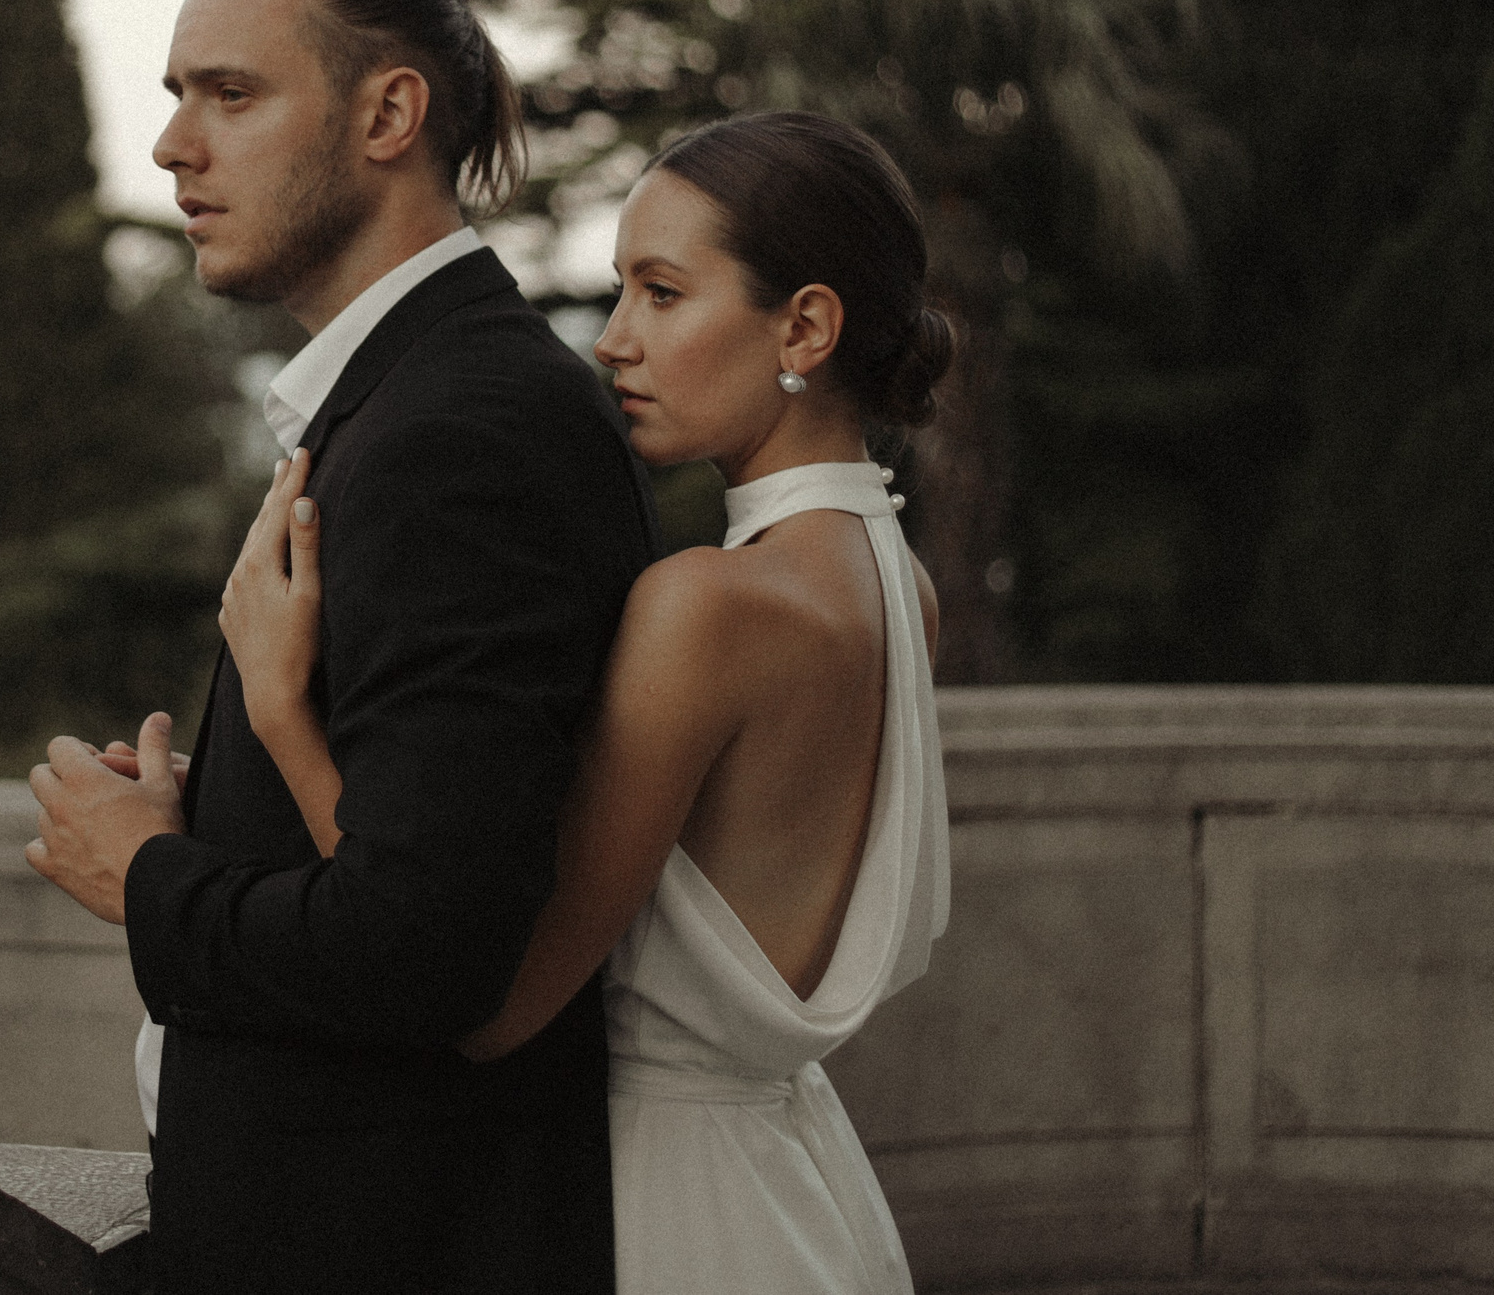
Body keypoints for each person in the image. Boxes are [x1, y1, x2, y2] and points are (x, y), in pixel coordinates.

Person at [25, 0, 656, 1293]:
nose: (173, 145)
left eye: (231, 94)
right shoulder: (403, 403)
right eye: (176, 95)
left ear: (388, 112)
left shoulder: (464, 430)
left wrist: (140, 869)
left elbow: (427, 949)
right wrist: (221, 815)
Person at [218, 110, 956, 1291]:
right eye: (620, 292)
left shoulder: (707, 608)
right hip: (803, 1204)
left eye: (661, 295)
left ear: (805, 326)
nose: (612, 342)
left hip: (666, 1218)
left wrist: (279, 710)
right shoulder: (894, 589)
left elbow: (489, 1003)